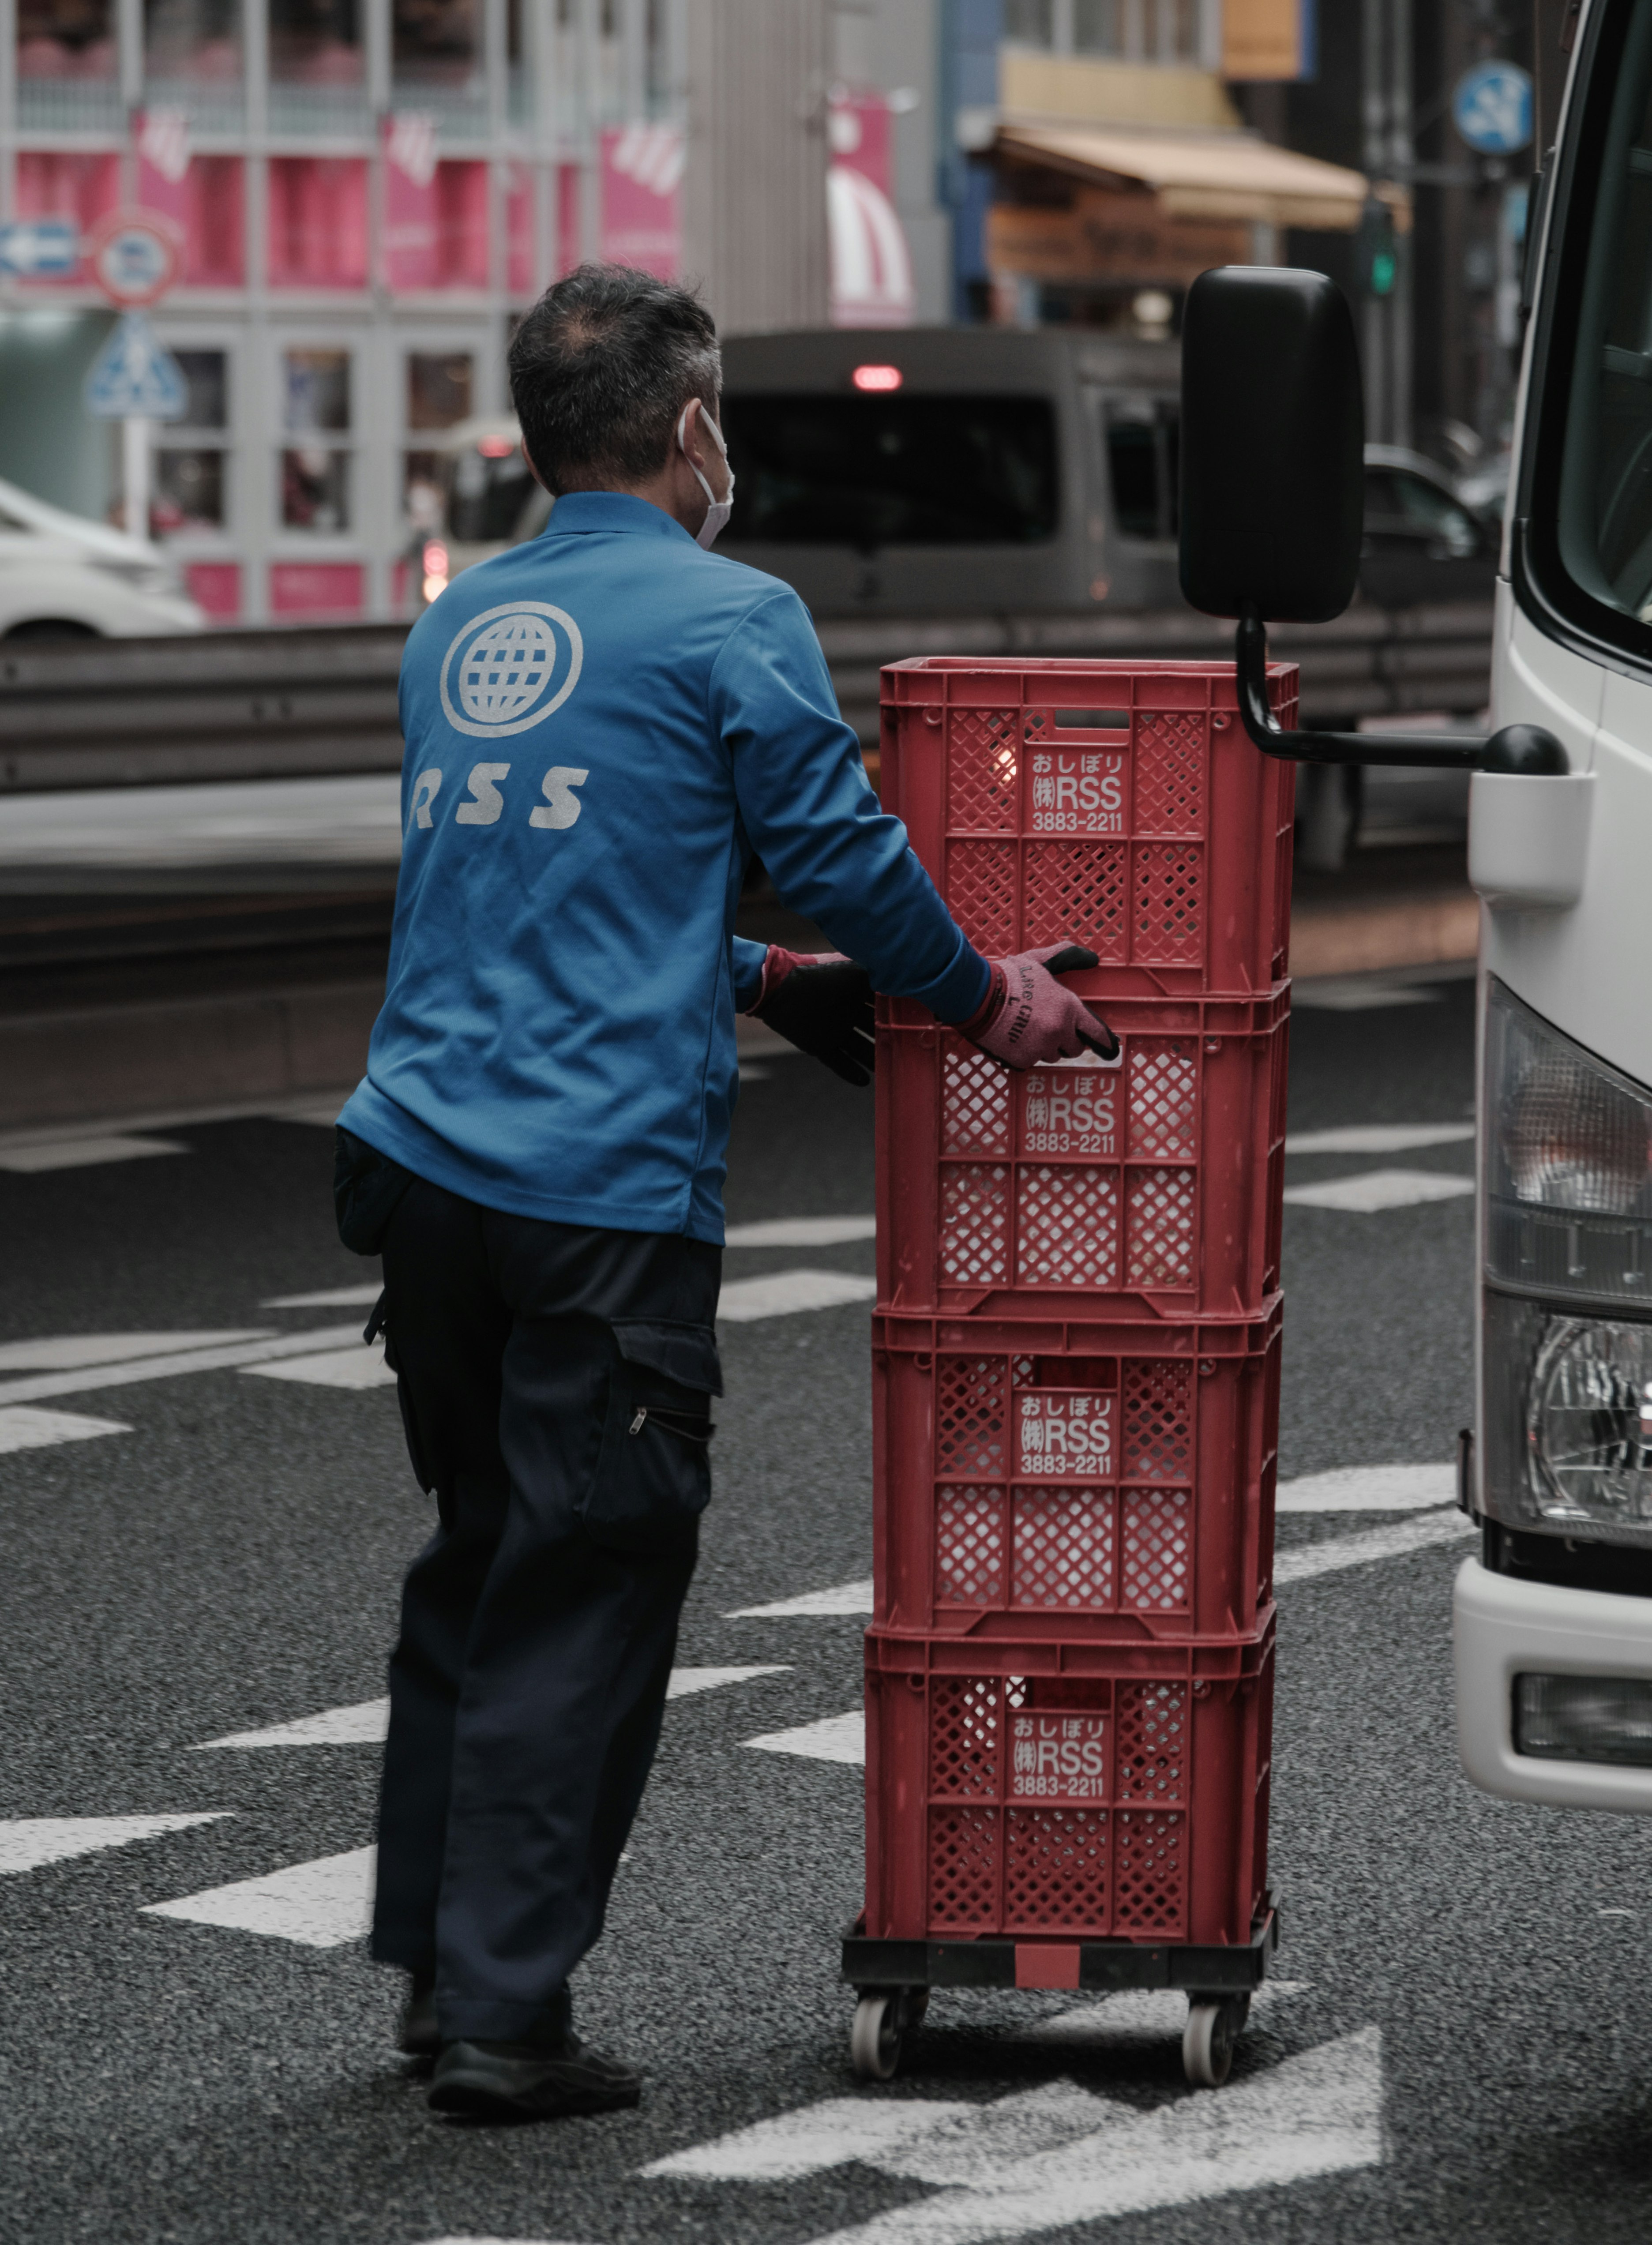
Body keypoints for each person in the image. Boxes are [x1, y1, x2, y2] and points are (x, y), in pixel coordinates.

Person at [332, 264, 1116, 2125]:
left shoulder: (459, 631)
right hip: (595, 1188)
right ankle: (512, 2022)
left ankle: (444, 1982)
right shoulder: (729, 612)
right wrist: (980, 996)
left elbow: (547, 899)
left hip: (415, 1165)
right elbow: (842, 849)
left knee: (482, 1552)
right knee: (588, 1575)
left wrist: (769, 987)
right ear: (690, 429)